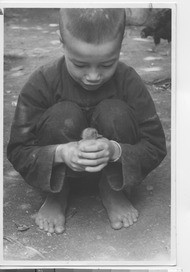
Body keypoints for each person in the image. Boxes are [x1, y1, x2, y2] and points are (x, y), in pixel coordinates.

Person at [7, 8, 167, 234]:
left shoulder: (129, 81)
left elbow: (155, 145)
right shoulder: (41, 81)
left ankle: (112, 189)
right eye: (80, 64)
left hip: (113, 170)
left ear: (121, 44)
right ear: (62, 42)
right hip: (59, 170)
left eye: (106, 64)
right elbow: (18, 150)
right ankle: (58, 193)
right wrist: (60, 152)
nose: (93, 76)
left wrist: (115, 150)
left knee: (115, 111)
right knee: (62, 115)